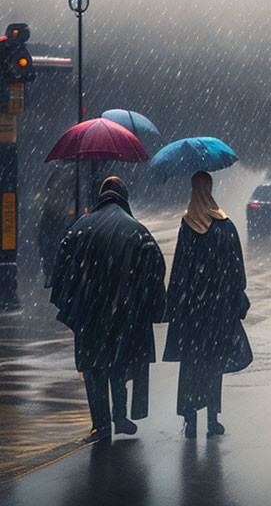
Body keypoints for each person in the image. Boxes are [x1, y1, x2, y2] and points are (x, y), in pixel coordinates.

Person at [50, 176, 166, 443]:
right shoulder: (136, 230)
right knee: (119, 362)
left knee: (93, 366)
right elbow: (154, 269)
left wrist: (74, 299)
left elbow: (61, 267)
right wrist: (149, 305)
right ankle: (121, 416)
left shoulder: (80, 227)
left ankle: (100, 425)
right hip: (125, 311)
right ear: (124, 197)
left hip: (89, 310)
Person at [163, 171, 252, 438]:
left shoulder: (187, 227)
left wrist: (174, 305)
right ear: (210, 189)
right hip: (217, 312)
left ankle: (190, 421)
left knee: (190, 365)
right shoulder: (225, 227)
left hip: (192, 313)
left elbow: (178, 271)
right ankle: (213, 420)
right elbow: (238, 272)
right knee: (213, 364)